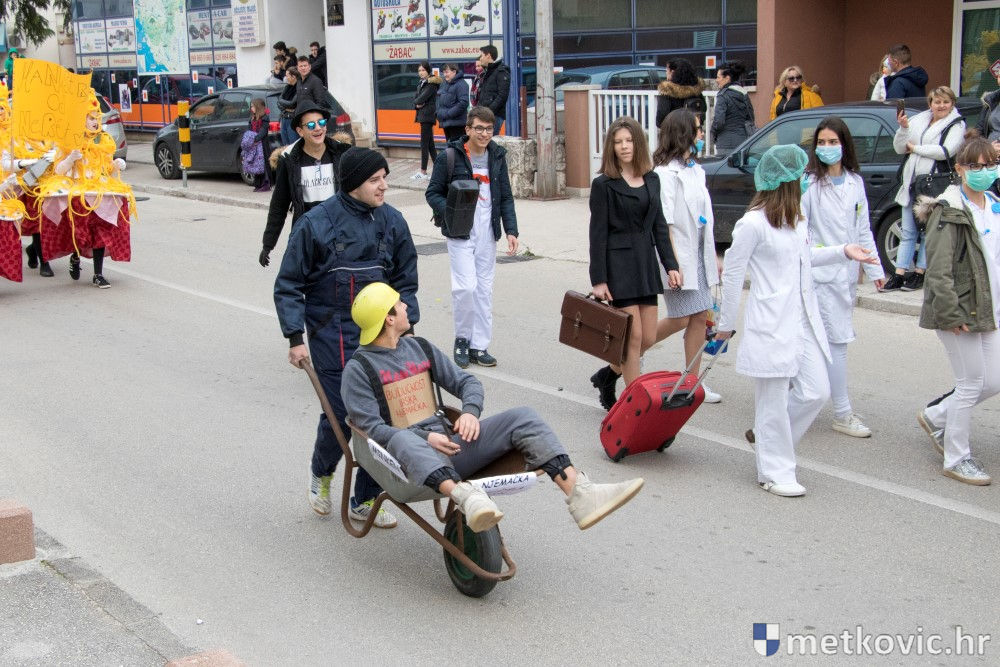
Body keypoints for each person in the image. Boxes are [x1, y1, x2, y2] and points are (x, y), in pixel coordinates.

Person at [342, 281, 645, 532]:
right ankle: (466, 497)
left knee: (523, 417)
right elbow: (372, 430)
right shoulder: (359, 370)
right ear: (389, 319)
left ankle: (580, 494)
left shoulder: (418, 347)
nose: (406, 306)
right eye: (399, 304)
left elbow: (467, 382)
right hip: (405, 463)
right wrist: (425, 438)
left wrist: (470, 413)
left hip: (452, 446)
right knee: (401, 437)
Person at [715, 144, 878, 497]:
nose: (807, 179)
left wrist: (843, 251)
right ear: (785, 180)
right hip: (771, 322)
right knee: (772, 401)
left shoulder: (797, 220)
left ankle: (767, 440)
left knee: (816, 392)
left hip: (804, 320)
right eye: (802, 175)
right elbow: (733, 275)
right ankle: (774, 471)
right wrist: (725, 324)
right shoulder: (752, 224)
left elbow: (806, 257)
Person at [275, 146, 419, 527]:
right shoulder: (316, 224)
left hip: (382, 336)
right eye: (375, 180)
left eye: (385, 178)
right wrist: (294, 337)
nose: (384, 186)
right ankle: (322, 474)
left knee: (384, 416)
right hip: (332, 332)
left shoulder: (393, 222)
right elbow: (288, 284)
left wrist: (408, 325)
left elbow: (405, 280)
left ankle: (365, 498)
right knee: (341, 414)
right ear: (354, 183)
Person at [915, 131, 1000, 486]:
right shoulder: (947, 210)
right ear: (960, 169)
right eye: (975, 166)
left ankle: (936, 416)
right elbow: (937, 269)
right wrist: (951, 314)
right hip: (959, 311)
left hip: (988, 308)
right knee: (971, 383)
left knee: (993, 380)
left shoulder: (993, 203)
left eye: (990, 165)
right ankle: (957, 457)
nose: (984, 171)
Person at [588, 116, 682, 410]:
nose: (624, 146)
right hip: (618, 266)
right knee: (633, 336)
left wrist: (671, 265)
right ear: (611, 147)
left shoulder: (652, 179)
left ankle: (608, 375)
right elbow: (597, 234)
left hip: (645, 264)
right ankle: (634, 406)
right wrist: (599, 279)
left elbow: (660, 226)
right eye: (618, 142)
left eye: (629, 140)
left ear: (638, 143)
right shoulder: (603, 185)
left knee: (648, 337)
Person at [801, 116, 886, 438]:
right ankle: (841, 412)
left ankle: (805, 401)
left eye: (833, 142)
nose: (827, 148)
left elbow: (862, 229)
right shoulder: (809, 183)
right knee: (832, 343)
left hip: (845, 275)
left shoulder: (854, 182)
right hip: (818, 272)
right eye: (821, 142)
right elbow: (803, 230)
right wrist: (832, 252)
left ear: (844, 145)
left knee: (832, 342)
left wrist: (875, 269)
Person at [426, 105, 518, 368]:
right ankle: (463, 340)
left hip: (487, 230)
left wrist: (511, 230)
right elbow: (432, 193)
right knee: (465, 288)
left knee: (484, 290)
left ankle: (480, 345)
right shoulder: (450, 156)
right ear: (467, 129)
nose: (485, 134)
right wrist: (451, 211)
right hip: (460, 231)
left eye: (489, 129)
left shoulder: (497, 156)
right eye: (479, 128)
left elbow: (506, 196)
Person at [651, 109, 722, 404]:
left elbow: (704, 220)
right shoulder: (664, 174)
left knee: (700, 317)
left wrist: (713, 255)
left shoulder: (695, 169)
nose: (701, 134)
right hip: (679, 258)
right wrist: (674, 264)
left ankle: (692, 382)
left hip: (699, 255)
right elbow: (665, 223)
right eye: (697, 129)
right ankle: (630, 351)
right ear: (684, 133)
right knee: (681, 318)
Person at [38, 92, 133, 289]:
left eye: (97, 118)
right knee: (80, 233)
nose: (95, 122)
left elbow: (106, 168)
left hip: (99, 192)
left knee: (100, 232)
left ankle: (98, 274)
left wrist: (116, 165)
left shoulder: (104, 140)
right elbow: (58, 170)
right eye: (91, 118)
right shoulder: (69, 141)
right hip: (78, 194)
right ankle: (75, 256)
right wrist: (70, 158)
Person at [884, 86, 964, 292]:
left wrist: (915, 148)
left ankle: (920, 273)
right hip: (911, 183)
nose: (941, 106)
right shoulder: (919, 120)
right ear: (930, 104)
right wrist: (903, 129)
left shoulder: (956, 124)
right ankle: (899, 274)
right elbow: (899, 148)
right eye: (937, 102)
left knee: (929, 232)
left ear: (952, 104)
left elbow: (945, 151)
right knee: (908, 231)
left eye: (946, 102)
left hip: (934, 184)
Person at [259, 103, 352, 268]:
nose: (318, 128)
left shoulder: (342, 153)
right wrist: (268, 244)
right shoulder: (289, 160)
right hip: (307, 234)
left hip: (339, 233)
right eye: (310, 125)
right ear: (300, 131)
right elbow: (279, 205)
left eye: (321, 123)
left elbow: (358, 196)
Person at [711, 61, 755, 152]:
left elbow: (719, 121)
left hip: (725, 143)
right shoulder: (744, 94)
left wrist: (713, 133)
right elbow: (751, 118)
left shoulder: (723, 95)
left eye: (718, 77)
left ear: (727, 78)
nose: (716, 80)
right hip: (743, 142)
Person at [655, 58, 706, 129]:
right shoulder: (696, 92)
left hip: (675, 133)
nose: (666, 73)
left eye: (667, 70)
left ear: (672, 72)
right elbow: (703, 110)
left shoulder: (667, 92)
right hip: (693, 132)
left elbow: (660, 121)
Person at [412, 61, 440, 180]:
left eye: (423, 70)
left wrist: (417, 102)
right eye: (419, 70)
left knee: (424, 144)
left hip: (427, 116)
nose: (421, 72)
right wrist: (417, 104)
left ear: (428, 70)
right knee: (430, 145)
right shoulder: (421, 83)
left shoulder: (431, 83)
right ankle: (438, 170)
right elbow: (416, 99)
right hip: (423, 116)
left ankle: (423, 171)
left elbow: (421, 99)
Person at [477, 45, 510, 134]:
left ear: (488, 55)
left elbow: (502, 95)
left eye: (482, 56)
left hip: (494, 116)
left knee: (489, 139)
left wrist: (489, 111)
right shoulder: (488, 72)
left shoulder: (501, 71)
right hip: (484, 114)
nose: (480, 59)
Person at [243, 97, 271, 193]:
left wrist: (255, 139)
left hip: (262, 145)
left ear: (258, 107)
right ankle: (258, 184)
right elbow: (249, 130)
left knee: (263, 164)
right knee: (255, 164)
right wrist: (250, 140)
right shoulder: (252, 118)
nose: (251, 108)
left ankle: (266, 184)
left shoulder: (265, 118)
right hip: (254, 145)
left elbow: (263, 131)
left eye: (252, 106)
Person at [435, 63, 469, 143]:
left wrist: (448, 114)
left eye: (447, 72)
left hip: (457, 124)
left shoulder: (461, 84)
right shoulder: (444, 84)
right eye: (444, 72)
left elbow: (463, 103)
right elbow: (439, 100)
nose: (445, 75)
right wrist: (438, 113)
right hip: (446, 123)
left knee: (458, 147)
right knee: (450, 147)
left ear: (454, 72)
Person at [975, 62, 1000, 150]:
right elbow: (979, 130)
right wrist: (986, 148)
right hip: (988, 153)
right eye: (999, 76)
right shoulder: (990, 100)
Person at [276, 67, 300, 146]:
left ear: (293, 77)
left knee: (293, 145)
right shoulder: (287, 87)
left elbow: (292, 104)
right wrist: (286, 107)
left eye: (287, 76)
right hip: (284, 118)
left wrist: (283, 104)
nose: (285, 78)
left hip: (292, 120)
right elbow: (278, 102)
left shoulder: (299, 88)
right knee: (285, 146)